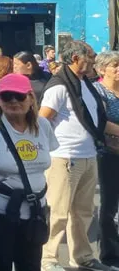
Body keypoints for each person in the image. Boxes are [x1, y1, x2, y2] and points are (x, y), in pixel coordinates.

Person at [39, 41, 119, 271]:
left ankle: (82, 258)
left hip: (88, 155)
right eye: (90, 57)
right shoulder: (59, 87)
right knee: (58, 211)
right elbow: (43, 120)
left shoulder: (86, 85)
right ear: (75, 58)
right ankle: (49, 259)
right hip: (65, 156)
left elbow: (97, 123)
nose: (94, 61)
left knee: (83, 212)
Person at [0, 73, 57, 271]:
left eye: (19, 96)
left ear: (31, 98)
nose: (13, 101)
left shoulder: (42, 125)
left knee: (31, 266)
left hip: (35, 214)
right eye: (7, 96)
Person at [94, 51, 119, 267]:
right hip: (108, 155)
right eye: (115, 66)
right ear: (102, 70)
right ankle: (110, 254)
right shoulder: (98, 92)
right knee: (109, 206)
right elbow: (99, 122)